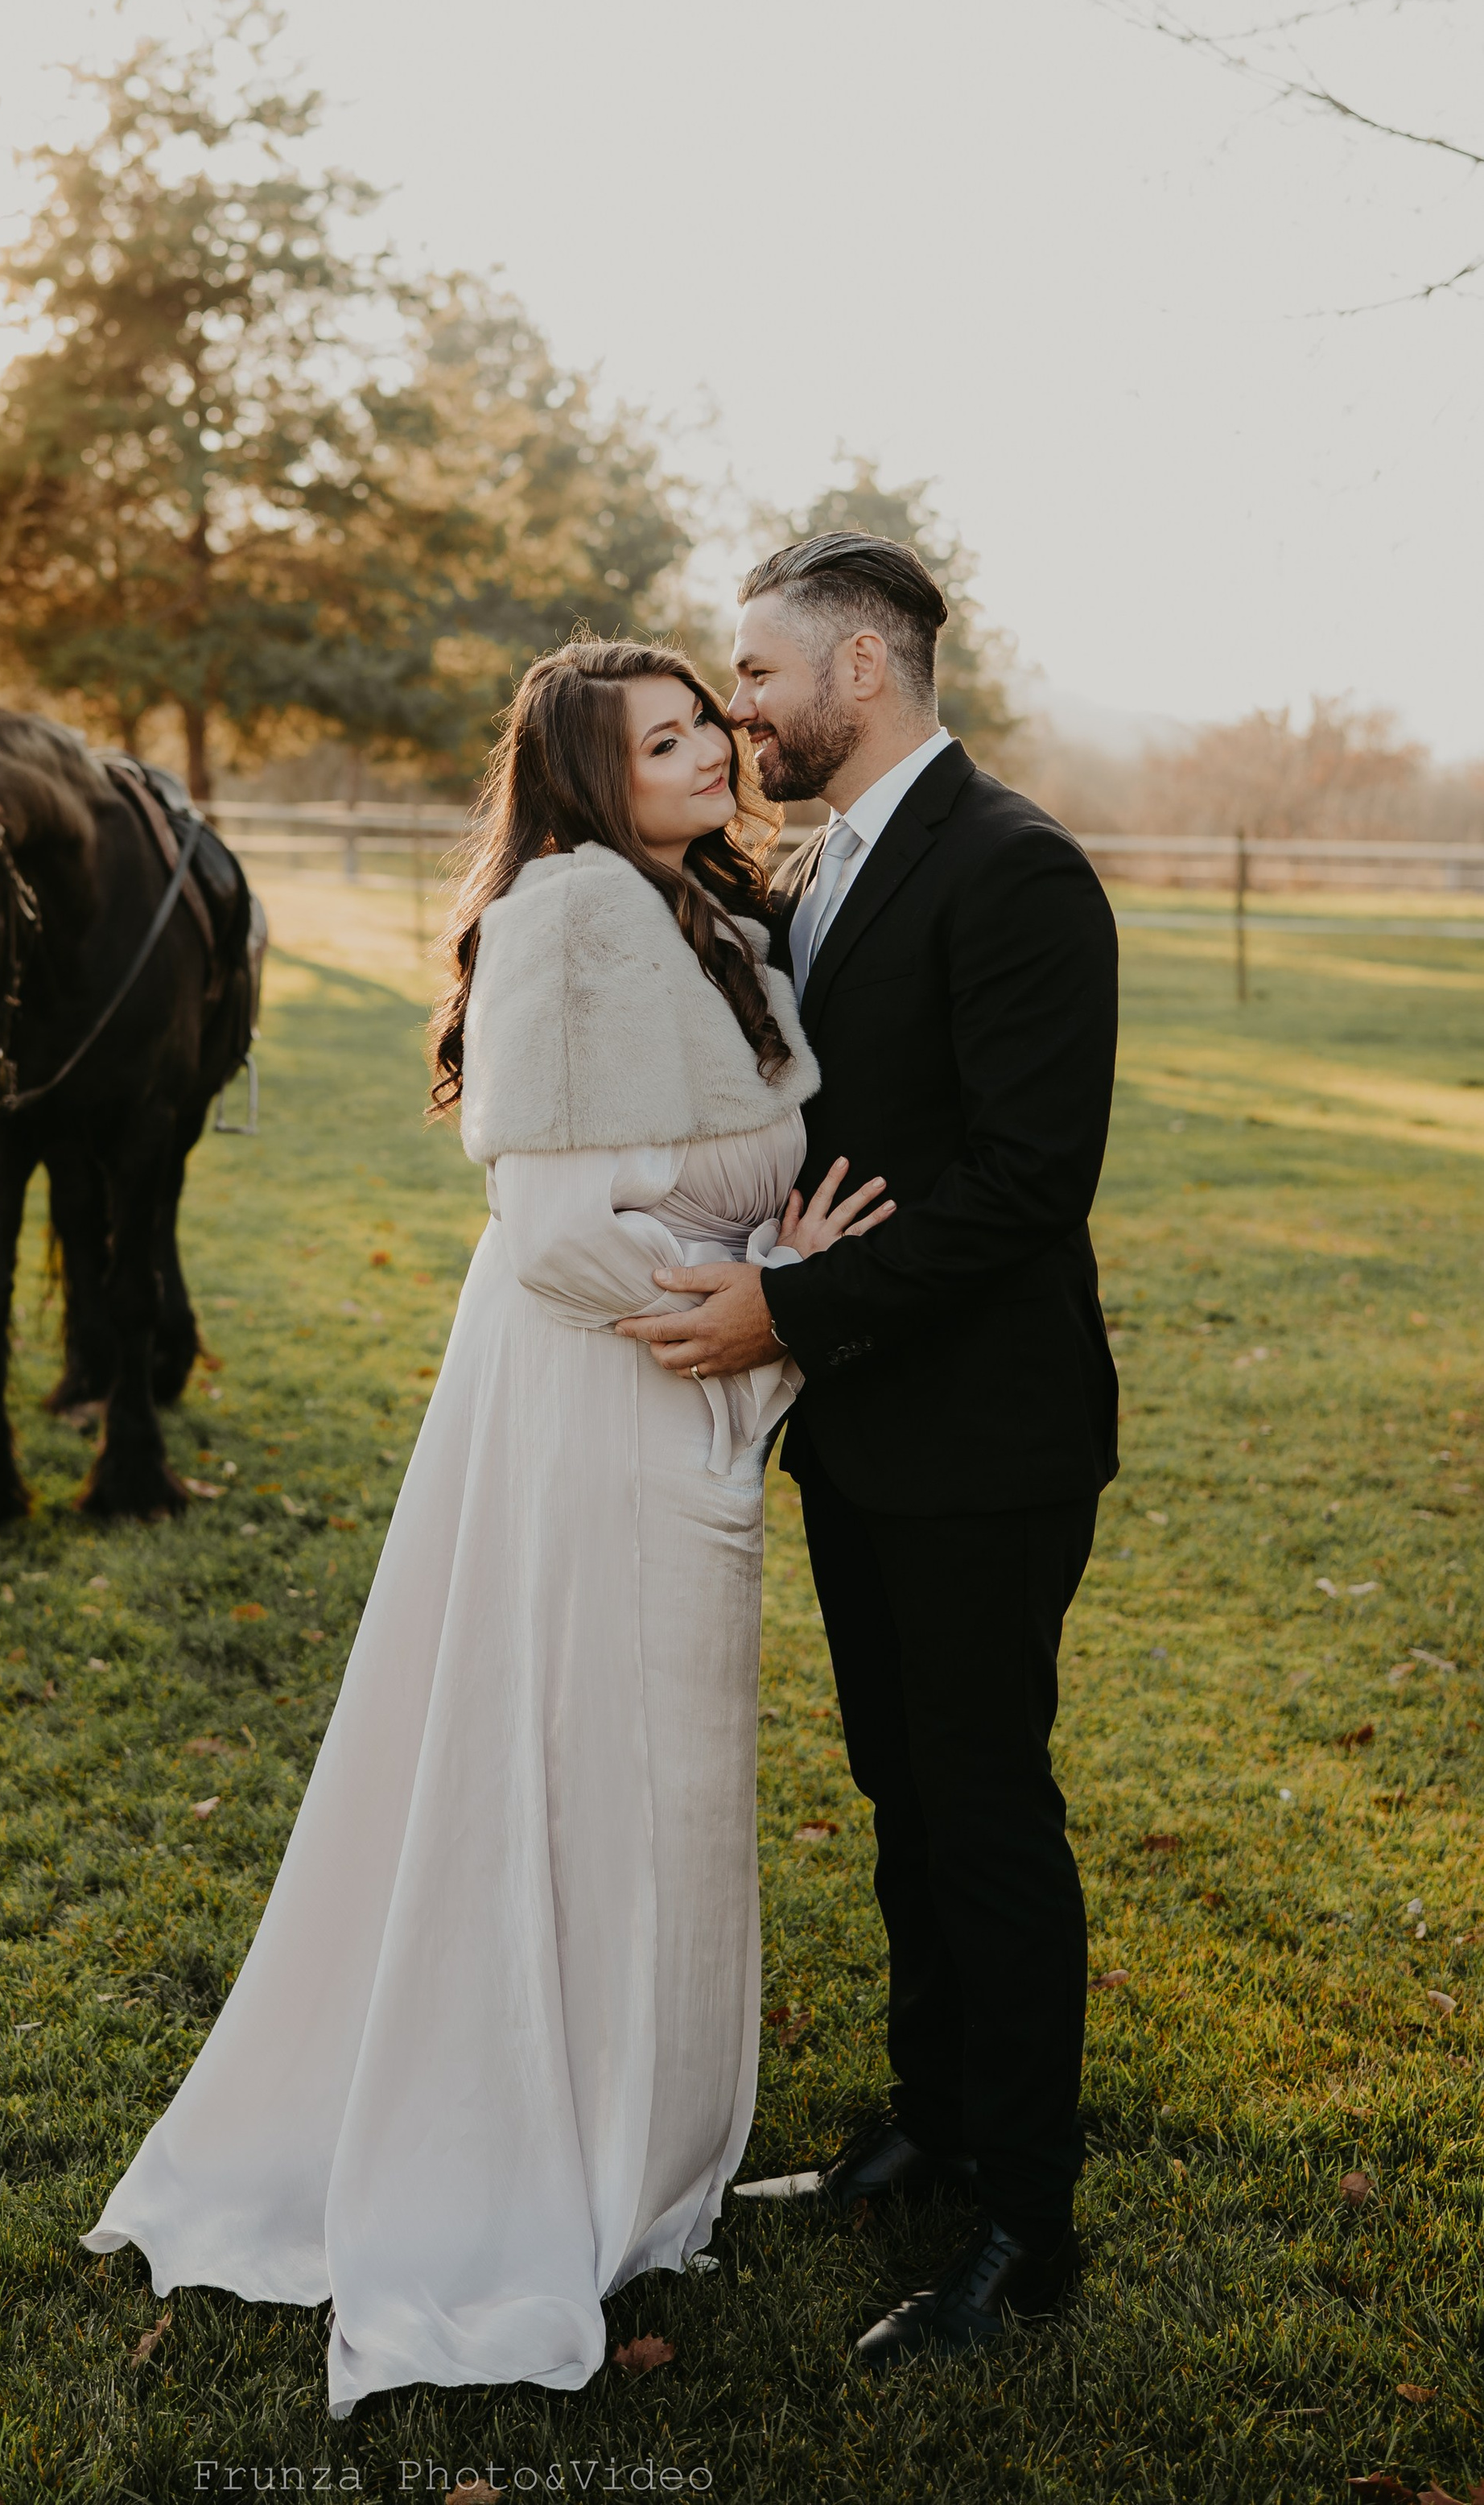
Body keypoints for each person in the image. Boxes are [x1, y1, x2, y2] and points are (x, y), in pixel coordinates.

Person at [80, 637, 892, 2416]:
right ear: (588, 780)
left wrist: (762, 1311)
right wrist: (762, 1289)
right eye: (662, 739)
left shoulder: (708, 923)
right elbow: (550, 1239)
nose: (705, 752)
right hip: (594, 1398)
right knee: (577, 1754)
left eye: (702, 726)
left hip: (683, 1397)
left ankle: (647, 2144)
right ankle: (545, 2146)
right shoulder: (566, 921)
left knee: (665, 1770)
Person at [618, 531, 1119, 2368]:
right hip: (867, 1439)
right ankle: (929, 2123)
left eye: (752, 674)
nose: (733, 706)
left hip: (987, 1445)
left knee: (985, 1813)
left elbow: (1021, 1188)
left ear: (858, 667)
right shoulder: (826, 864)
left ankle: (1024, 2229)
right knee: (906, 1798)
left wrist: (786, 1317)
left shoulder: (1016, 869)